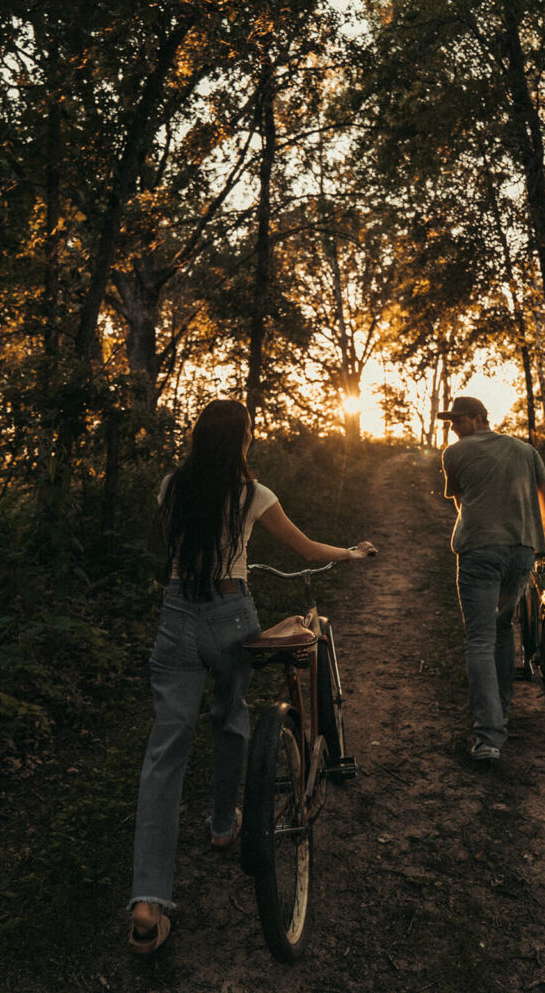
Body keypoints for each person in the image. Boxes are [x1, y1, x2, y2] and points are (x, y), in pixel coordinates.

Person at [128, 399, 376, 953]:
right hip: (229, 614)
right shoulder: (252, 495)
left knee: (164, 752)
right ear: (241, 440)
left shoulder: (171, 486)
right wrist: (352, 553)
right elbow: (305, 547)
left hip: (177, 615)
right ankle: (222, 824)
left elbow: (174, 546)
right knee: (230, 717)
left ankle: (147, 899)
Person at [439, 396, 545, 762]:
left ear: (480, 418)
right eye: (451, 422)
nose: (454, 428)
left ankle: (489, 737)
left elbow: (462, 502)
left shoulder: (455, 454)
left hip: (480, 551)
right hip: (523, 549)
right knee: (502, 628)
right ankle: (502, 712)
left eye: (459, 420)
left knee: (479, 638)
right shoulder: (524, 449)